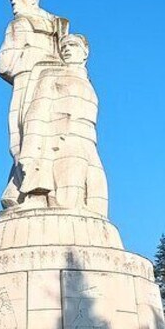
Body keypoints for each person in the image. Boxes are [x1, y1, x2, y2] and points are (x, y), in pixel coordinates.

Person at [16, 33, 109, 216]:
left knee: (97, 203)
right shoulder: (51, 75)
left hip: (89, 140)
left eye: (72, 45)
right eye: (64, 47)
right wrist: (30, 150)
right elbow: (37, 112)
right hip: (63, 139)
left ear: (85, 51)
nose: (66, 50)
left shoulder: (87, 81)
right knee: (67, 202)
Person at [0, 0, 68, 208]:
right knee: (32, 134)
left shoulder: (28, 23)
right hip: (42, 80)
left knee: (31, 133)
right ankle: (27, 187)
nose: (14, 2)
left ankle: (35, 188)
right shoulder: (50, 23)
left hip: (39, 80)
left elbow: (3, 63)